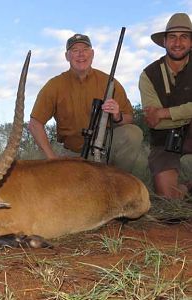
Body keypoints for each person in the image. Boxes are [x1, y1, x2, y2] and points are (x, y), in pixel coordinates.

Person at [28, 33, 142, 172]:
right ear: (67, 56)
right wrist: (52, 159)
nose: (81, 54)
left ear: (92, 53)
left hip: (104, 149)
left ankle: (119, 181)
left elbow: (129, 117)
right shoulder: (54, 85)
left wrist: (117, 116)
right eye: (75, 51)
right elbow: (35, 123)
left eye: (85, 49)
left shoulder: (109, 82)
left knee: (133, 133)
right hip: (71, 153)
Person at [139, 13, 192, 200]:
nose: (178, 42)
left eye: (184, 37)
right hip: (164, 141)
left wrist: (165, 112)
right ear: (164, 41)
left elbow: (159, 116)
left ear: (191, 42)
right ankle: (186, 188)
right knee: (168, 196)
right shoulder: (148, 75)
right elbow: (154, 122)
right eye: (172, 37)